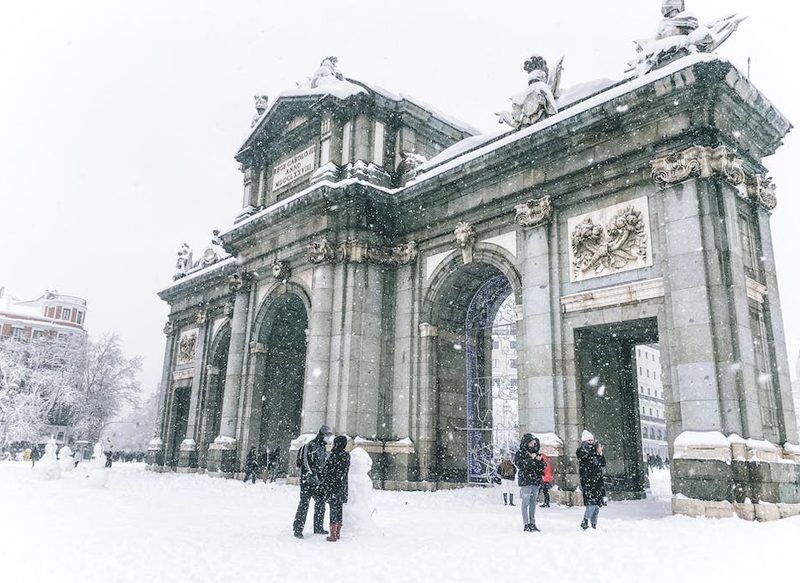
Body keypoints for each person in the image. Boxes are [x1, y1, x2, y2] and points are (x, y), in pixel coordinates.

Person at [292, 425, 333, 538]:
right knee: (304, 504)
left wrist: (321, 476)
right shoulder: (311, 445)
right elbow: (306, 463)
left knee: (320, 503)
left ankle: (318, 527)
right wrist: (313, 474)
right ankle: (298, 529)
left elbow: (322, 463)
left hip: (317, 481)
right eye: (327, 435)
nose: (328, 438)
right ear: (322, 434)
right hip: (308, 480)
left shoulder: (322, 446)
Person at [320, 435, 350, 542]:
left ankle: (332, 534)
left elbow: (327, 470)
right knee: (339, 508)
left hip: (333, 486)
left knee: (333, 508)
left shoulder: (334, 455)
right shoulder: (346, 456)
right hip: (342, 486)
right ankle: (337, 532)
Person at [514, 433, 546, 532]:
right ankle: (526, 523)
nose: (533, 445)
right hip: (526, 479)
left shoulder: (536, 452)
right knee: (525, 501)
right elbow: (520, 465)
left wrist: (539, 461)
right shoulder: (520, 453)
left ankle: (532, 523)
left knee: (533, 502)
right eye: (531, 443)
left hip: (535, 480)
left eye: (534, 443)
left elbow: (543, 466)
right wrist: (530, 459)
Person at [577, 430, 607, 530]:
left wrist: (600, 454)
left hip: (598, 480)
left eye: (592, 440)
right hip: (588, 480)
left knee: (597, 504)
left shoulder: (595, 451)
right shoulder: (582, 451)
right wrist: (595, 454)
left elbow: (602, 463)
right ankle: (585, 520)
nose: (591, 442)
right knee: (592, 502)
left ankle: (594, 523)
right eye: (589, 440)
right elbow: (589, 462)